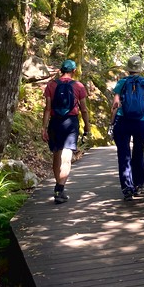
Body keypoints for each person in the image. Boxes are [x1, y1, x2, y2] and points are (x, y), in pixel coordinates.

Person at [42, 59, 91, 204]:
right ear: (74, 71)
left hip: (55, 123)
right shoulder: (79, 86)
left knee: (56, 155)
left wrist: (43, 128)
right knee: (67, 156)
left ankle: (58, 187)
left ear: (61, 70)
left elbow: (47, 109)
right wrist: (87, 127)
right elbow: (84, 109)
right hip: (70, 123)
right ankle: (60, 189)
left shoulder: (51, 85)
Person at [110, 55, 144, 201]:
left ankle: (127, 189)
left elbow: (115, 105)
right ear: (140, 68)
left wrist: (111, 124)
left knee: (124, 154)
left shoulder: (122, 83)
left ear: (128, 68)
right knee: (138, 151)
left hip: (123, 121)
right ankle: (138, 185)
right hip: (141, 122)